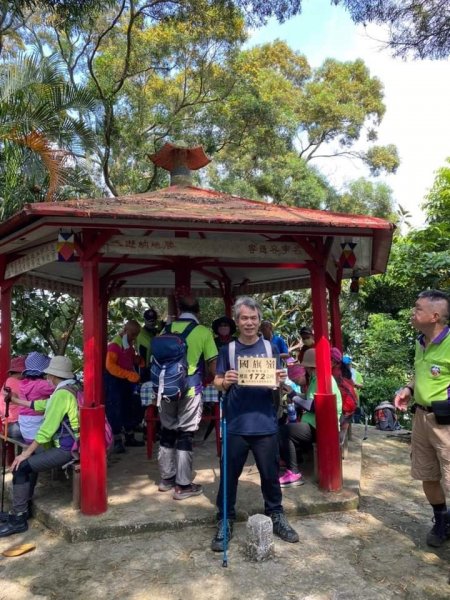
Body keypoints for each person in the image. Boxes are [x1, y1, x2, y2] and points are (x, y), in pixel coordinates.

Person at [211, 296, 299, 552]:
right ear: (237, 322)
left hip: (266, 422)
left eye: (253, 318)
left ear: (260, 321)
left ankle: (276, 514)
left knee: (270, 476)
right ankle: (225, 519)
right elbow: (216, 382)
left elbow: (280, 382)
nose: (249, 322)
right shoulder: (228, 350)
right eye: (244, 318)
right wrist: (225, 380)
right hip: (236, 423)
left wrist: (282, 378)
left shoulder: (271, 348)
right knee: (229, 475)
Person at [394, 289, 450, 548]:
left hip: (446, 423)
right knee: (427, 474)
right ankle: (441, 520)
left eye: (418, 309)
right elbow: (420, 374)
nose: (412, 313)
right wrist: (408, 389)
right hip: (421, 419)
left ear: (435, 316)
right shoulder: (420, 342)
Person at [0, 356, 79, 537]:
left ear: (52, 376)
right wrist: (17, 401)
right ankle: (22, 508)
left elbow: (46, 431)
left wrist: (24, 454)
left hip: (66, 449)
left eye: (48, 375)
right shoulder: (69, 388)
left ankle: (19, 518)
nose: (46, 377)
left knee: (21, 467)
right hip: (71, 444)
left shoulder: (61, 394)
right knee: (30, 464)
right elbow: (43, 404)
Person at [157, 295, 217, 500]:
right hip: (190, 390)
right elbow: (212, 364)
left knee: (167, 431)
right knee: (185, 434)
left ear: (179, 310)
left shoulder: (165, 330)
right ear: (198, 312)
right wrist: (210, 378)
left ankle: (166, 479)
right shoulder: (203, 332)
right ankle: (183, 485)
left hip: (165, 390)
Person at [279, 348, 342, 488]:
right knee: (287, 429)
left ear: (312, 367)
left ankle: (293, 472)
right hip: (316, 424)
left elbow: (313, 406)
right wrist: (293, 392)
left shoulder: (323, 380)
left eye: (307, 368)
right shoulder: (317, 378)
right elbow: (310, 400)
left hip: (321, 427)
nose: (306, 370)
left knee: (284, 432)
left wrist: (293, 396)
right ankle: (292, 462)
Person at [105, 320, 144, 453]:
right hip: (114, 381)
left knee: (129, 406)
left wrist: (139, 360)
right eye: (133, 334)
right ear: (126, 331)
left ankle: (130, 437)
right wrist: (128, 374)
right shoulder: (115, 345)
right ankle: (116, 441)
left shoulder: (128, 344)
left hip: (126, 382)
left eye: (136, 335)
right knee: (115, 410)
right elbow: (110, 366)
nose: (134, 337)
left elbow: (131, 358)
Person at [18, 352, 54, 444]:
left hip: (24, 425)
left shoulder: (23, 383)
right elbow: (59, 389)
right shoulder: (42, 384)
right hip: (36, 424)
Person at [0, 356, 26, 439]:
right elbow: (31, 402)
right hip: (15, 426)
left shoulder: (8, 381)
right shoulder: (15, 382)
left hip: (8, 426)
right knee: (40, 430)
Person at [137, 307, 160, 382]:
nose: (151, 323)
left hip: (154, 367)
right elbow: (152, 344)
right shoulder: (141, 333)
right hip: (144, 368)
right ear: (145, 320)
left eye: (153, 320)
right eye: (149, 320)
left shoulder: (154, 331)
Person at [342, 354, 364, 423]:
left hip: (354, 398)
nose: (348, 365)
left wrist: (353, 384)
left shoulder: (355, 373)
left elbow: (361, 385)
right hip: (344, 399)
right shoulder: (340, 372)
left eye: (348, 364)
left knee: (355, 417)